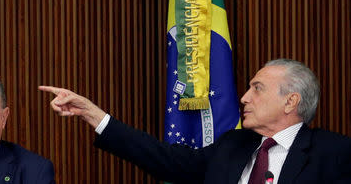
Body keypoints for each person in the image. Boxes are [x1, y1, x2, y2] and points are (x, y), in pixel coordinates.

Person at [39, 58, 351, 184]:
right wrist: (93, 114)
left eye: (257, 89)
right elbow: (164, 159)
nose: (244, 97)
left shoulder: (335, 154)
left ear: (290, 101)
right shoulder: (233, 145)